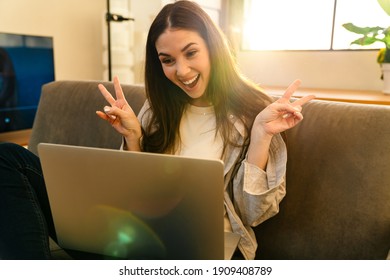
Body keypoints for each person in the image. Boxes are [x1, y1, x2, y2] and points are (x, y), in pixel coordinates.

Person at [0, 0, 314, 260]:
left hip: (205, 251)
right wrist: (133, 138)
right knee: (9, 158)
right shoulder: (157, 107)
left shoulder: (256, 113)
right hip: (136, 234)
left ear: (214, 48)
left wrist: (260, 135)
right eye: (168, 60)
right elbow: (134, 193)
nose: (182, 71)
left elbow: (253, 214)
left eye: (191, 53)